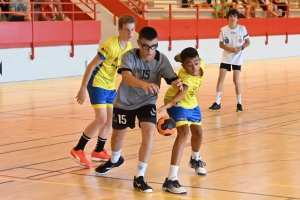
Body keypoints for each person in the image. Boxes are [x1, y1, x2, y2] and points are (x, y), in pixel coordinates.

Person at [94, 26, 183, 193]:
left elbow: (171, 78)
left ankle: (140, 177)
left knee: (149, 133)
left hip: (147, 102)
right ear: (139, 43)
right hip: (124, 101)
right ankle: (114, 159)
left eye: (154, 46)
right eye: (146, 46)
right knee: (118, 136)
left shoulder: (161, 59)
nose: (150, 50)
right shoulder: (129, 55)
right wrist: (144, 84)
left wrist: (176, 83)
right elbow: (126, 77)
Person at [69, 15, 136, 168]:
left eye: (132, 29)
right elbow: (91, 66)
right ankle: (78, 149)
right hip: (97, 82)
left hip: (110, 85)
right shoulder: (110, 46)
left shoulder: (129, 47)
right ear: (119, 29)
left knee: (110, 119)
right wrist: (82, 88)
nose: (130, 33)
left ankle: (98, 151)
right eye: (126, 30)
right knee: (101, 118)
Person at [158, 47, 206, 194]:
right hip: (176, 101)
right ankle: (171, 179)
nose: (194, 67)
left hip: (192, 103)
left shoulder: (201, 64)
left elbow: (179, 56)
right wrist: (170, 103)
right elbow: (183, 92)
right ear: (184, 67)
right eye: (189, 65)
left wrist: (180, 57)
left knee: (198, 132)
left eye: (196, 63)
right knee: (184, 132)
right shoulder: (186, 78)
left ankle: (195, 159)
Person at [209, 8, 250, 112]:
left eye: (235, 16)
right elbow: (221, 44)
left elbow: (248, 42)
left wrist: (240, 48)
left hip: (237, 57)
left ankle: (239, 103)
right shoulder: (224, 30)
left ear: (238, 18)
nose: (233, 18)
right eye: (231, 16)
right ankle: (217, 102)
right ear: (228, 18)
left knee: (236, 80)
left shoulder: (242, 29)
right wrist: (228, 48)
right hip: (226, 57)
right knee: (220, 78)